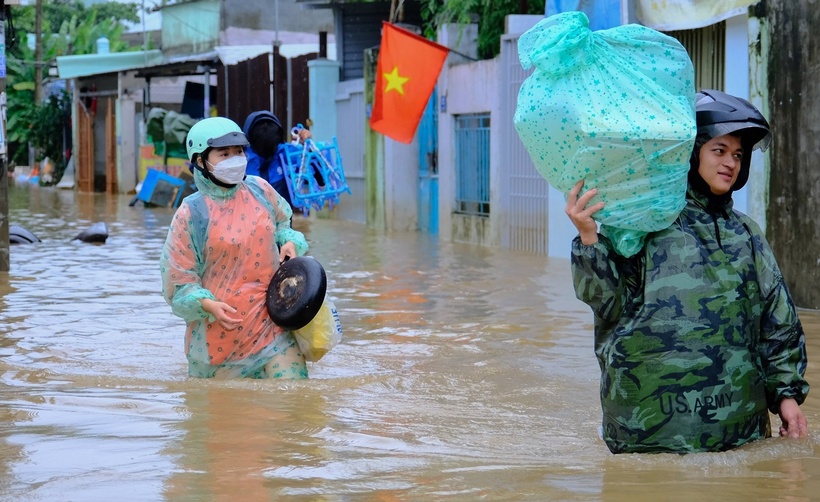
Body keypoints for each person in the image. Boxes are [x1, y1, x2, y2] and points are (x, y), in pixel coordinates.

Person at [565, 90, 809, 454]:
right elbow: (607, 303)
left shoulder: (747, 234)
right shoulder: (644, 223)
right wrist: (589, 238)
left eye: (738, 155)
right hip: (649, 434)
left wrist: (787, 397)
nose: (731, 163)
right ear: (690, 154)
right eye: (719, 150)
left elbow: (778, 322)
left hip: (738, 434)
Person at [159, 117, 310, 379]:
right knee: (227, 416)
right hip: (221, 334)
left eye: (239, 151)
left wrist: (289, 242)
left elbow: (283, 223)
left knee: (295, 399)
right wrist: (207, 304)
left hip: (272, 323)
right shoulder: (191, 214)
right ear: (200, 161)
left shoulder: (260, 190)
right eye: (224, 153)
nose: (235, 159)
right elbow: (179, 280)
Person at [242, 111, 313, 209]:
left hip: (281, 219)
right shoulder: (241, 157)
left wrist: (306, 145)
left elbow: (312, 167)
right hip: (249, 218)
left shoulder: (285, 152)